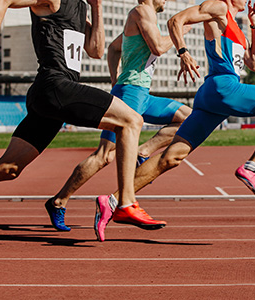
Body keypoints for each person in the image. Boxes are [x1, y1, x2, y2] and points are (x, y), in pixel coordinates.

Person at [93, 0, 255, 237]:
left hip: (214, 97)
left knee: (171, 158)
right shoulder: (219, 8)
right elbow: (176, 21)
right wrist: (183, 52)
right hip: (224, 88)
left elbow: (254, 63)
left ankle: (113, 201)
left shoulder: (234, 24)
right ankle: (251, 168)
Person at [0, 0, 143, 222]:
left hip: (52, 95)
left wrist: (97, 7)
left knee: (8, 168)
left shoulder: (80, 7)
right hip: (55, 85)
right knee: (131, 120)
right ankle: (125, 202)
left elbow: (95, 50)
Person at [44, 0, 192, 240]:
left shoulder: (145, 18)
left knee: (189, 118)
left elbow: (114, 48)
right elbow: (157, 47)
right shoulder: (141, 12)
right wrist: (180, 33)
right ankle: (58, 201)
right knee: (104, 156)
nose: (165, 0)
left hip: (141, 94)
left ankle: (143, 151)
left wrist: (115, 80)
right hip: (131, 93)